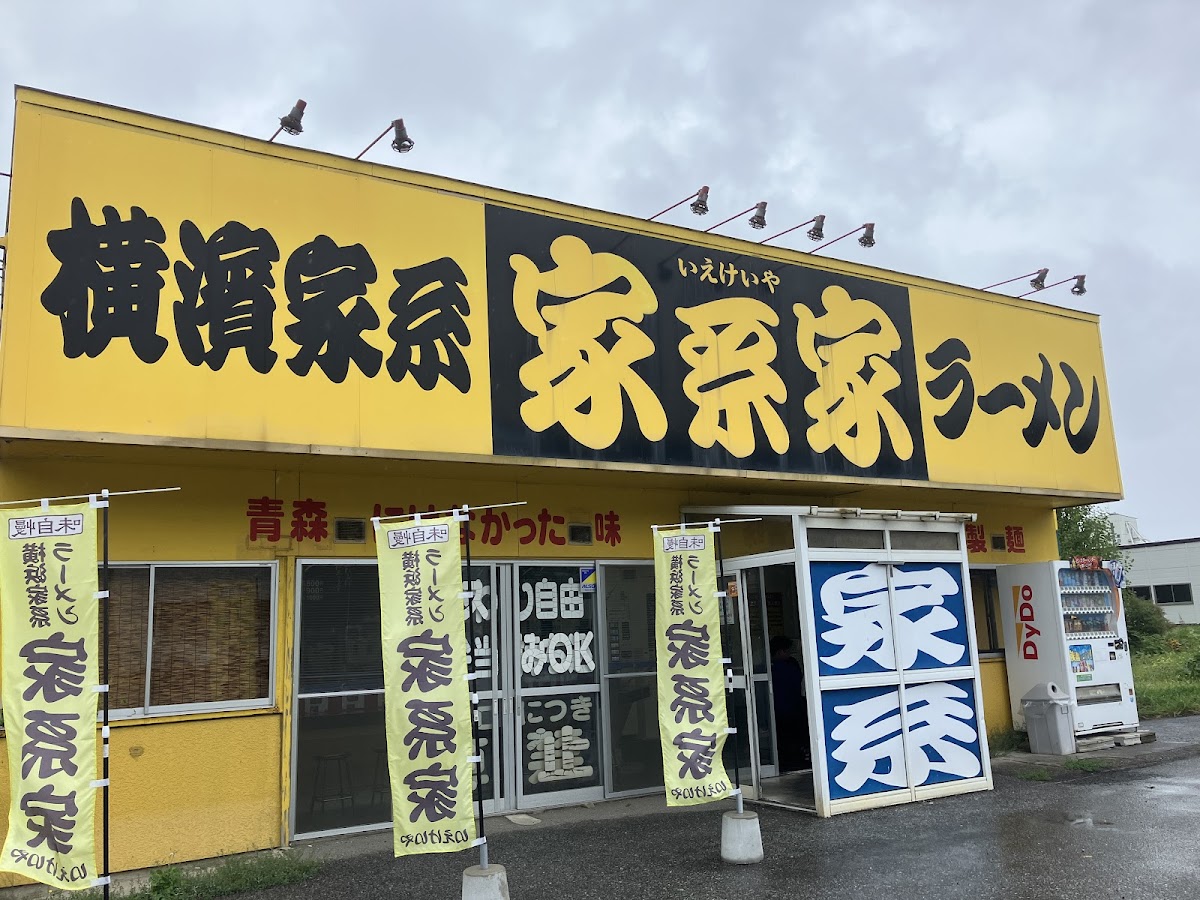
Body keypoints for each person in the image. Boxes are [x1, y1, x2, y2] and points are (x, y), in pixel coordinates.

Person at [770, 635, 811, 770]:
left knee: (785, 739)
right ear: (780, 651)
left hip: (780, 709)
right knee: (793, 738)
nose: (788, 653)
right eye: (786, 651)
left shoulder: (772, 667)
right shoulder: (790, 665)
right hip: (792, 707)